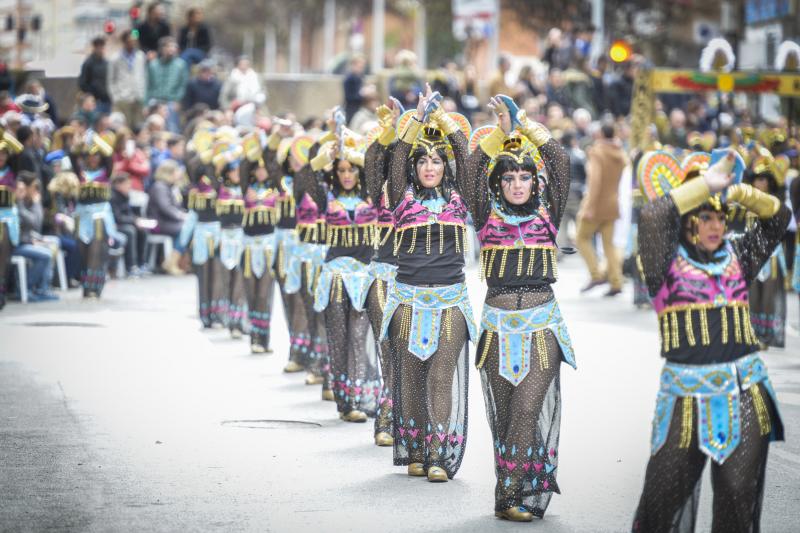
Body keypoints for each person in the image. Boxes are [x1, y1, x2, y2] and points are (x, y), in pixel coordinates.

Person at [632, 149, 789, 532]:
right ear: (687, 221)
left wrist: (740, 194)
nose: (715, 226)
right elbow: (653, 216)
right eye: (705, 217)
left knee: (738, 496)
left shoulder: (738, 254)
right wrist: (707, 185)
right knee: (660, 501)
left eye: (720, 217)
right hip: (685, 398)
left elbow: (780, 218)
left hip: (745, 391)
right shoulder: (661, 264)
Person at [466, 97, 575, 521]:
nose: (516, 184)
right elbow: (473, 169)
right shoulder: (484, 216)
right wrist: (499, 131)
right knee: (508, 413)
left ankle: (511, 495)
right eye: (509, 177)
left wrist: (526, 124)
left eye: (524, 177)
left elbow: (560, 161)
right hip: (496, 326)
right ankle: (512, 485)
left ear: (535, 182)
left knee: (528, 407)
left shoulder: (549, 215)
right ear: (499, 184)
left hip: (542, 325)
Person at [382, 85, 475, 482]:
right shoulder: (401, 197)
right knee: (411, 374)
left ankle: (438, 452)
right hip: (406, 296)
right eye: (424, 161)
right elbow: (395, 159)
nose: (431, 166)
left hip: (451, 298)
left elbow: (468, 161)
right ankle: (417, 449)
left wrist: (443, 120)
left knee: (440, 373)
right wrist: (417, 119)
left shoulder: (461, 195)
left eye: (438, 161)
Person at [300, 126, 380, 423]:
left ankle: (358, 397)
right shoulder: (326, 196)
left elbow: (379, 172)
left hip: (363, 276)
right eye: (342, 170)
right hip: (334, 276)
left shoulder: (372, 194)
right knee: (339, 337)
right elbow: (303, 182)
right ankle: (345, 401)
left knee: (359, 338)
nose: (347, 175)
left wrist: (356, 153)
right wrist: (326, 157)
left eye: (352, 170)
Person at [364, 100, 402, 445]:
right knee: (387, 347)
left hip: (422, 282)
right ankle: (387, 416)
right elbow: (372, 162)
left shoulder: (439, 195)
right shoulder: (379, 192)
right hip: (384, 274)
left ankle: (413, 423)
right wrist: (394, 127)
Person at [238, 128, 281, 353]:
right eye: (259, 168)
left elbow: (275, 168)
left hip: (267, 246)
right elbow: (244, 166)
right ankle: (253, 337)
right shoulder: (247, 187)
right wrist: (256, 145)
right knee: (251, 293)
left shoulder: (277, 187)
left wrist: (270, 148)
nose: (262, 172)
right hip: (248, 246)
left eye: (265, 168)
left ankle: (264, 339)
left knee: (265, 294)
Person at [575, 122, 628, 296]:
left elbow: (595, 181)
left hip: (596, 205)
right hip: (612, 204)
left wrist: (589, 206)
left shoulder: (598, 152)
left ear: (600, 135)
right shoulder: (620, 153)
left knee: (581, 238)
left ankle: (595, 273)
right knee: (609, 246)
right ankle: (616, 282)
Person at [69, 131, 120, 298]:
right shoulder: (80, 174)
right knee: (83, 251)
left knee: (96, 251)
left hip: (100, 216)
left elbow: (110, 155)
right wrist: (82, 141)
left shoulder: (106, 173)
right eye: (90, 155)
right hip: (82, 215)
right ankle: (86, 283)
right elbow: (72, 154)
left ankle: (93, 287)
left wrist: (96, 139)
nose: (93, 158)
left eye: (97, 155)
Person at [746, 147, 789, 348]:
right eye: (758, 179)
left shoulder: (777, 204)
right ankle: (752, 333)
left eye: (764, 179)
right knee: (753, 295)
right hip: (753, 255)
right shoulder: (745, 202)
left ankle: (766, 335)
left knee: (768, 297)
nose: (760, 182)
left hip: (771, 256)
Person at [14, 172, 58, 301]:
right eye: (34, 187)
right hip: (16, 245)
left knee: (53, 244)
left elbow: (35, 226)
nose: (36, 191)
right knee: (46, 254)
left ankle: (43, 288)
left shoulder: (25, 202)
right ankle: (25, 288)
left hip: (25, 241)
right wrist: (36, 203)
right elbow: (34, 222)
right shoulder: (16, 204)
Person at [146, 159, 187, 276]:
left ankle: (171, 261)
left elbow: (176, 206)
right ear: (169, 173)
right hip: (159, 223)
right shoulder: (159, 187)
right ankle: (171, 263)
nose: (179, 174)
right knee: (184, 229)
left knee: (186, 228)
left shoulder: (169, 187)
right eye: (176, 171)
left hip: (167, 222)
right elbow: (165, 207)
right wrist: (181, 216)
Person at [0, 128, 23, 308]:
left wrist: (4, 134)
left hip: (6, 217)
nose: (1, 158)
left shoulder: (12, 172)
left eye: (4, 154)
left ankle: (1, 292)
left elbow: (20, 150)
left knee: (3, 256)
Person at [146, 37, 189, 134]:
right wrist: (146, 104)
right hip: (155, 100)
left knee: (172, 128)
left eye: (173, 47)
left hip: (172, 100)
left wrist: (178, 100)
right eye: (168, 46)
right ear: (162, 49)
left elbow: (183, 85)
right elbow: (148, 86)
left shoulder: (181, 65)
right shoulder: (153, 65)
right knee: (152, 126)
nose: (171, 49)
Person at [108, 29, 148, 129]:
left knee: (138, 127)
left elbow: (144, 76)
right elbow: (111, 80)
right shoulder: (115, 58)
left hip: (137, 97)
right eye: (129, 41)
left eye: (134, 41)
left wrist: (143, 94)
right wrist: (115, 96)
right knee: (123, 127)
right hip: (122, 98)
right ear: (124, 42)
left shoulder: (140, 56)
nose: (132, 43)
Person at [110, 173, 148, 276]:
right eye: (127, 184)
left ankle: (141, 263)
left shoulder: (125, 196)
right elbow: (117, 217)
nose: (129, 187)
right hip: (115, 226)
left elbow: (128, 213)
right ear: (118, 184)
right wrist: (133, 221)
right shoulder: (112, 197)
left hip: (124, 223)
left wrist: (136, 220)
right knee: (130, 231)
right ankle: (131, 266)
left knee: (142, 231)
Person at [79, 37, 111, 115]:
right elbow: (83, 83)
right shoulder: (88, 63)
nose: (100, 50)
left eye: (102, 47)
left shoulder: (106, 63)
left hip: (106, 99)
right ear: (94, 48)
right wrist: (91, 95)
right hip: (95, 101)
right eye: (98, 47)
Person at [343, 56, 366, 124]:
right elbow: (349, 96)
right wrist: (363, 94)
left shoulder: (359, 77)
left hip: (359, 107)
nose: (361, 69)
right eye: (359, 67)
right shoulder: (349, 78)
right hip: (351, 109)